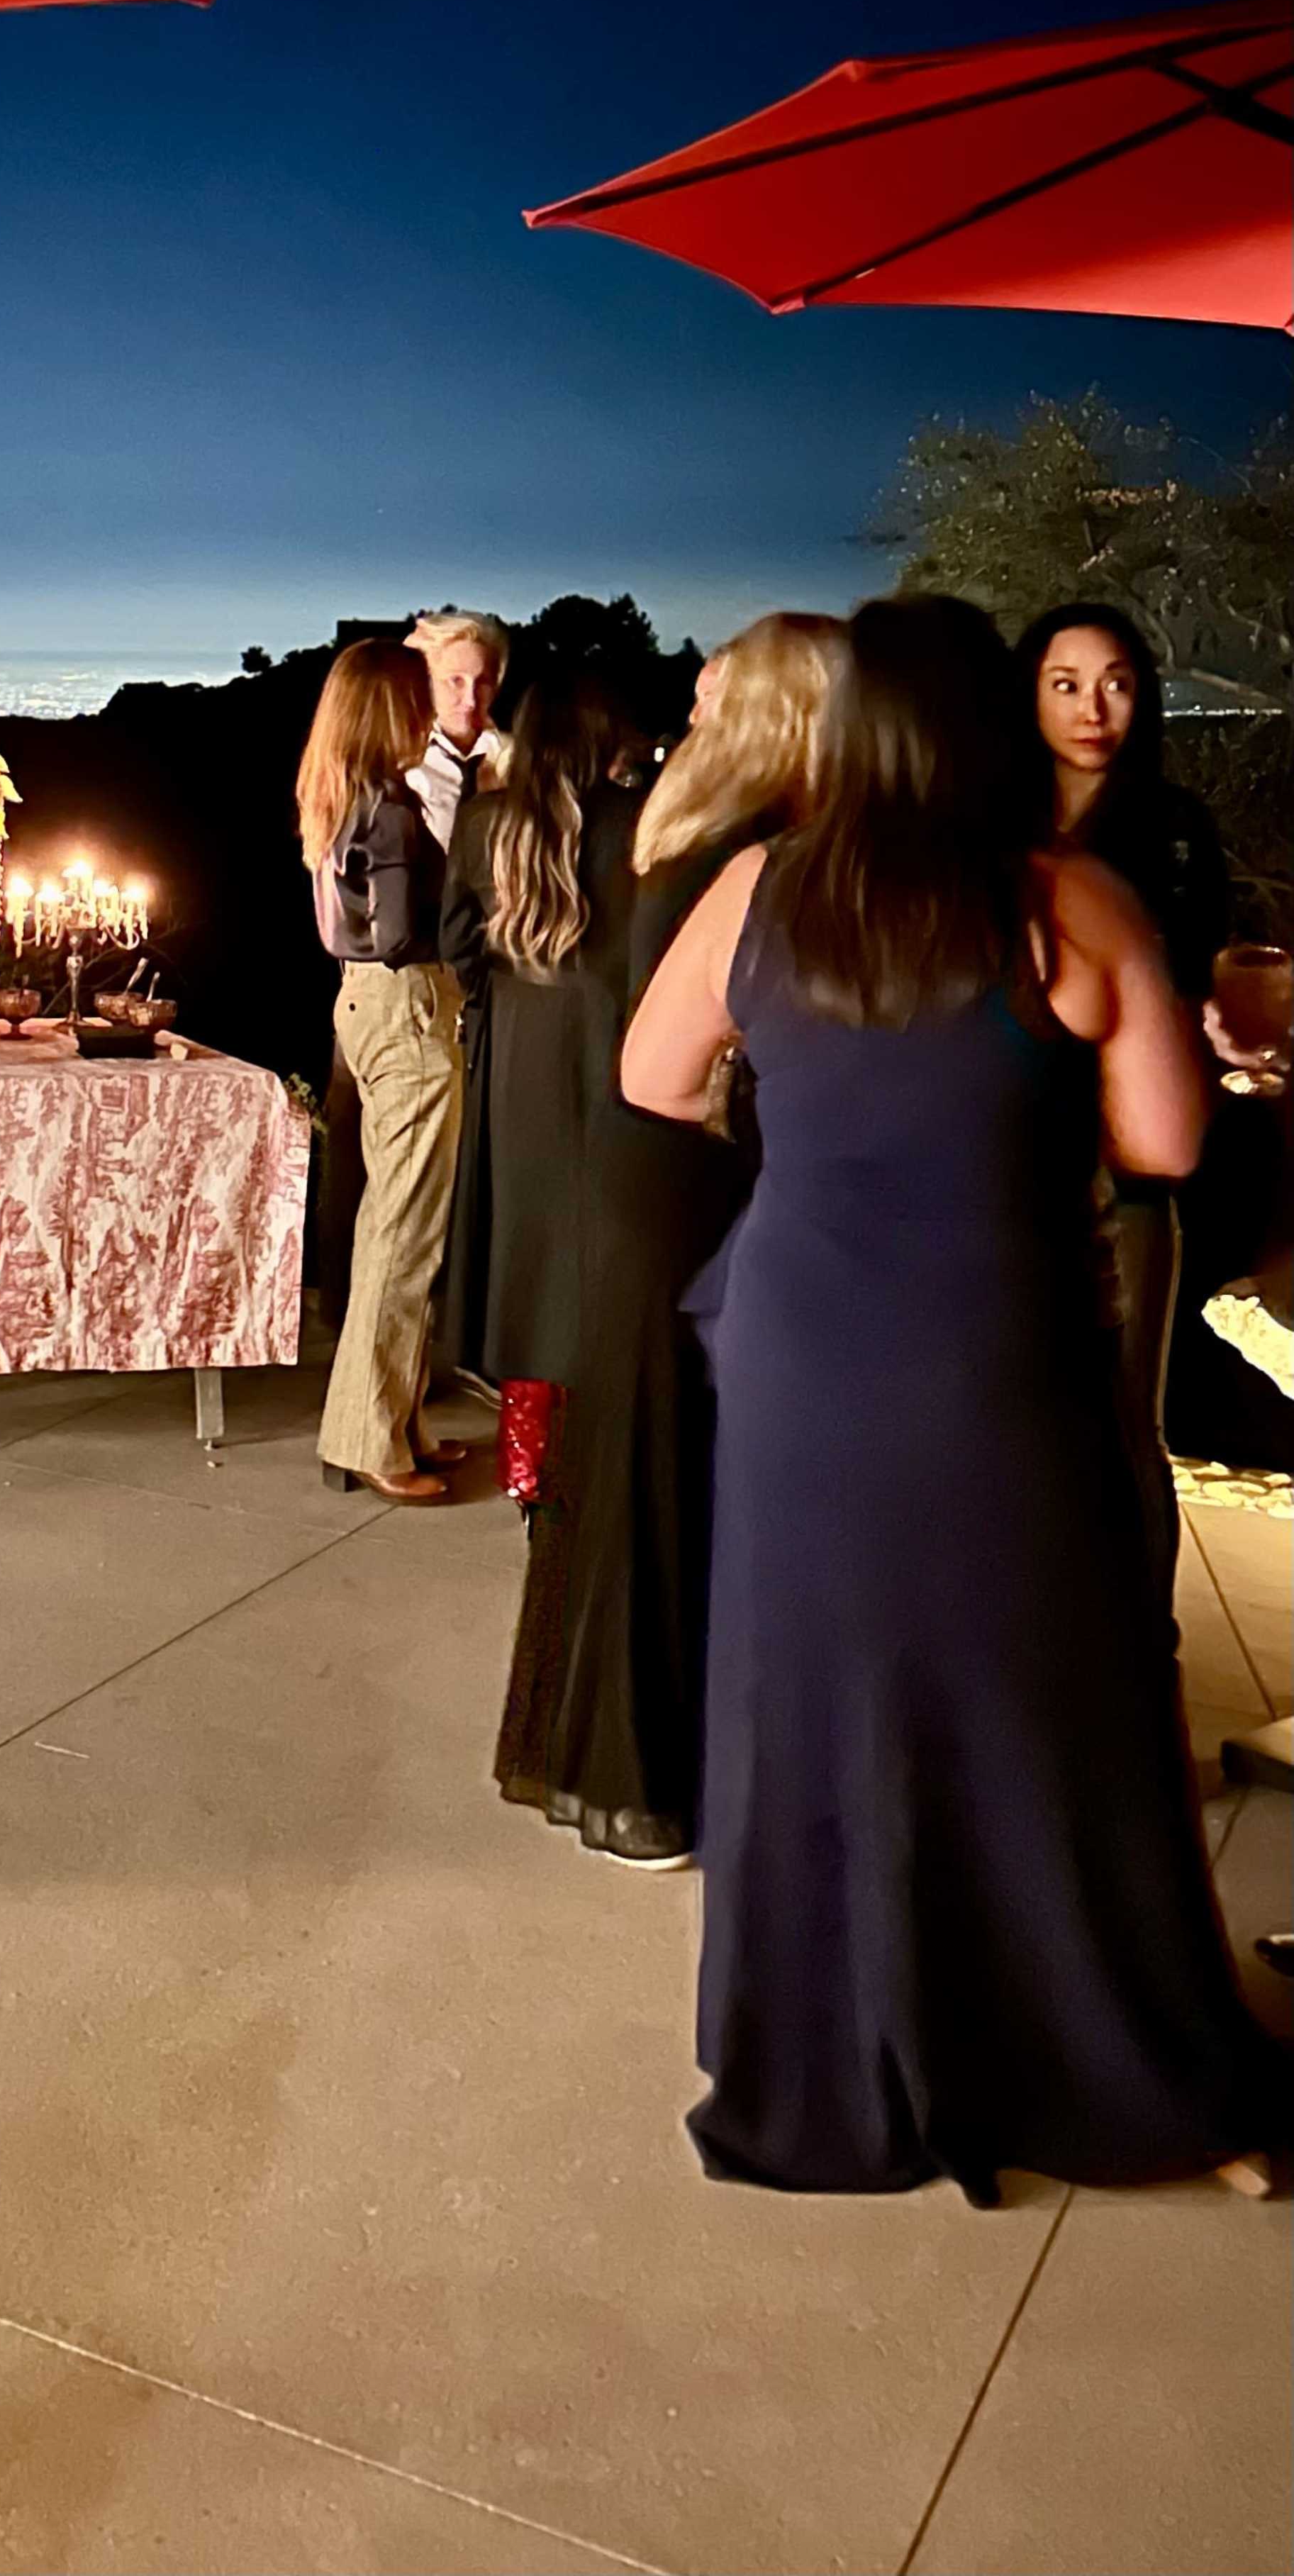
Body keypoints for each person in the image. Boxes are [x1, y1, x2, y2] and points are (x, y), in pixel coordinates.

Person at [626, 594, 1283, 2200]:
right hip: (992, 1350)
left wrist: (801, 1140)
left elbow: (651, 1076)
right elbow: (1166, 1148)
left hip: (800, 1355)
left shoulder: (755, 890)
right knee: (1039, 1692)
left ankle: (827, 2041)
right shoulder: (1067, 906)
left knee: (823, 1692)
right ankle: (1076, 2045)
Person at [529, 610, 842, 1868]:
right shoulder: (749, 845)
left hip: (645, 1173)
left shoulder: (673, 822)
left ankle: (662, 1769)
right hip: (694, 1172)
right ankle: (657, 1777)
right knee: (677, 1460)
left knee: (656, 1454)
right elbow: (685, 1058)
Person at [1017, 601, 1290, 1488]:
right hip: (1000, 1161)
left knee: (1125, 1428)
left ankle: (1139, 1626)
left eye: (1117, 685)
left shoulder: (1172, 828)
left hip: (1123, 1164)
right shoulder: (990, 830)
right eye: (1066, 685)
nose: (1093, 709)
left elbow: (1193, 981)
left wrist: (1228, 1029)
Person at [437, 671, 642, 1779]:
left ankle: (531, 1474)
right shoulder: (630, 828)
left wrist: (507, 993)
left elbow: (454, 939)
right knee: (601, 1256)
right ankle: (591, 1468)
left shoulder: (486, 821)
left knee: (524, 1254)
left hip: (517, 1050)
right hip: (608, 1051)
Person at [296, 639, 472, 1503]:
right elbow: (404, 932)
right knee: (406, 1230)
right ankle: (371, 1432)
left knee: (389, 1222)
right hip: (408, 1006)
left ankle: (392, 1420)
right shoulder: (393, 808)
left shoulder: (337, 798)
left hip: (361, 1005)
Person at [311, 610, 508, 1340]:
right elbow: (392, 930)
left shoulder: (354, 780)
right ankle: (365, 1397)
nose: (465, 695)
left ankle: (390, 1395)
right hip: (408, 992)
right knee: (395, 1214)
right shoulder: (391, 788)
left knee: (410, 1211)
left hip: (419, 994)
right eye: (448, 679)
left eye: (482, 679)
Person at [403, 610, 510, 850]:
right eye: (456, 681)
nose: (471, 700)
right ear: (425, 680)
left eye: (483, 682)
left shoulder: (521, 761)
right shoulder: (401, 766)